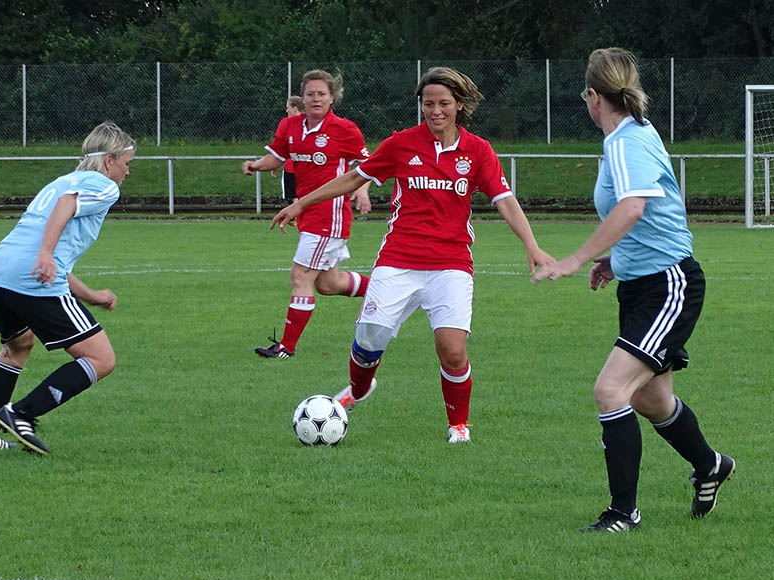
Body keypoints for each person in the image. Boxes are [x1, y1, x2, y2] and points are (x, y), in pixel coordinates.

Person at [271, 66, 553, 443]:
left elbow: (505, 200)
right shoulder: (402, 144)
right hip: (398, 261)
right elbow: (354, 178)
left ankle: (458, 426)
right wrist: (301, 203)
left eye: (444, 104)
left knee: (452, 349)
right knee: (370, 340)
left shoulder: (478, 151)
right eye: (428, 103)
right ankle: (358, 389)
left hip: (451, 264)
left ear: (460, 105)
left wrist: (531, 245)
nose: (435, 111)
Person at [532, 48, 734, 531]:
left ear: (593, 98)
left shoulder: (626, 142)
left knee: (611, 390)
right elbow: (651, 216)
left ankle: (623, 513)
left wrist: (576, 259)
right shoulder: (631, 136)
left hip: (669, 285)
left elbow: (633, 209)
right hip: (643, 284)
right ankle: (710, 465)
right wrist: (615, 261)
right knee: (650, 399)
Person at [0, 121, 134, 455]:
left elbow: (53, 257)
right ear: (109, 161)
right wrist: (45, 254)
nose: (127, 173)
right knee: (101, 359)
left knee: (18, 346)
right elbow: (67, 207)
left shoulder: (59, 181)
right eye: (127, 164)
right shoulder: (102, 185)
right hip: (30, 278)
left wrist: (93, 296)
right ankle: (21, 413)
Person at [243, 70, 373, 359]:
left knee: (300, 275)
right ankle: (385, 291)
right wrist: (256, 165)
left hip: (330, 214)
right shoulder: (290, 126)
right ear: (302, 97)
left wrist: (361, 191)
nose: (316, 98)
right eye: (311, 93)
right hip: (307, 214)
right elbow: (277, 157)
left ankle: (285, 348)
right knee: (329, 284)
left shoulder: (344, 129)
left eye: (322, 94)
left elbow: (368, 164)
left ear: (332, 97)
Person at [279, 95, 304, 203]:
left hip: (298, 168)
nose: (286, 110)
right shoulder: (285, 123)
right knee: (296, 198)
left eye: (288, 107)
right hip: (296, 168)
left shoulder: (310, 122)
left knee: (296, 198)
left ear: (295, 108)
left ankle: (301, 218)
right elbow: (280, 146)